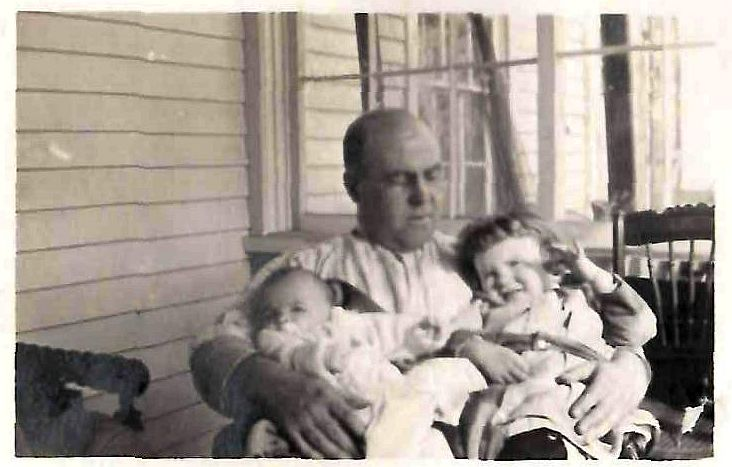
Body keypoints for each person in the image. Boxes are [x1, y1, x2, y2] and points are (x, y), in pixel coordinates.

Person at [189, 108, 657, 459]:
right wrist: (269, 381)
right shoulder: (304, 271)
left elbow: (569, 324)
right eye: (400, 180)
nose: (423, 196)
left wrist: (630, 367)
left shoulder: (476, 263)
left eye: (432, 176)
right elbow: (214, 346)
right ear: (354, 187)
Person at [444, 213, 658, 459]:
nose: (502, 278)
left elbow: (639, 328)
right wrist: (473, 348)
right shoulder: (487, 311)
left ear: (550, 266)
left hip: (592, 388)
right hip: (535, 397)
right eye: (490, 275)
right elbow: (451, 336)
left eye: (515, 264)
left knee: (623, 426)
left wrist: (593, 276)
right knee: (534, 425)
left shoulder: (580, 296)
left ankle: (623, 445)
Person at [243, 266, 486, 457]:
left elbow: (383, 331)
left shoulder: (345, 323)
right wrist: (320, 356)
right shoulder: (274, 338)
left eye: (297, 308)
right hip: (338, 404)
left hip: (380, 390)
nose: (283, 317)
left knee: (429, 435)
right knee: (394, 433)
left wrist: (415, 336)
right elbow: (288, 353)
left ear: (327, 308)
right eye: (271, 313)